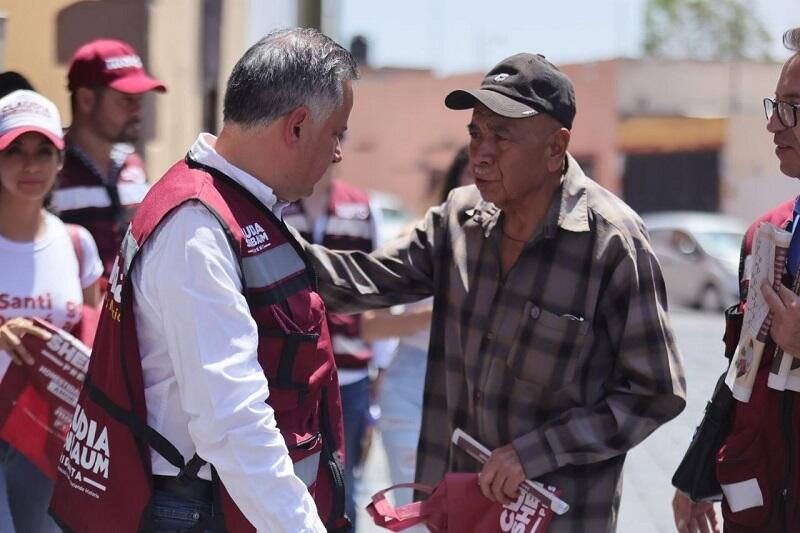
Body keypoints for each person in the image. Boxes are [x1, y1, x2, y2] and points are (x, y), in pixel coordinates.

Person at [297, 52, 687, 531]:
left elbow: (654, 392)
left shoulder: (611, 242)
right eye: (476, 133)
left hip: (555, 516)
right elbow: (363, 281)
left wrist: (535, 452)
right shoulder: (458, 220)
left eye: (501, 136)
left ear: (555, 147)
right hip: (458, 509)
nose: (481, 153)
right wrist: (253, 237)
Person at [49, 28, 358, 532]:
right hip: (197, 511)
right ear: (297, 126)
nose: (339, 153)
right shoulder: (196, 227)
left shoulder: (223, 205)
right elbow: (230, 420)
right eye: (336, 133)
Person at [672, 27, 800, 533]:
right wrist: (697, 472)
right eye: (775, 104)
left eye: (792, 106)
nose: (772, 123)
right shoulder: (764, 236)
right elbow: (740, 370)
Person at [0, 89, 102, 532]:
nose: (31, 166)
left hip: (47, 434)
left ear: (61, 161)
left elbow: (94, 338)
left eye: (44, 151)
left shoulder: (77, 244)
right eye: (15, 151)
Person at [360, 145, 470, 514]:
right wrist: (438, 314)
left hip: (480, 393)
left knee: (469, 514)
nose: (480, 184)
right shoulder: (419, 236)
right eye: (469, 174)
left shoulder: (519, 245)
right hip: (413, 386)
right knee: (418, 512)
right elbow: (369, 324)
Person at [283, 168, 378, 529]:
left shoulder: (358, 207)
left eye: (339, 135)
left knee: (344, 480)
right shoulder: (279, 203)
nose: (334, 149)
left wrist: (378, 371)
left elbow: (371, 289)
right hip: (294, 370)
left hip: (350, 372)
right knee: (290, 477)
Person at [52, 38, 166, 278]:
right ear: (86, 100)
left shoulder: (134, 166)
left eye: (139, 100)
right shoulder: (48, 167)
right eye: (126, 100)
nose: (138, 111)